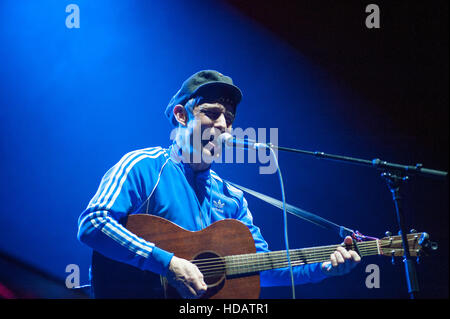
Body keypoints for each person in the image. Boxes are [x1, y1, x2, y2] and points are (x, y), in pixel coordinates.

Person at [77, 70, 361, 299]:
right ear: (181, 115)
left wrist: (322, 268)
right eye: (212, 114)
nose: (224, 125)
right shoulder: (143, 166)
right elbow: (93, 223)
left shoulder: (232, 199)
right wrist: (168, 263)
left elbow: (261, 266)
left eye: (229, 118)